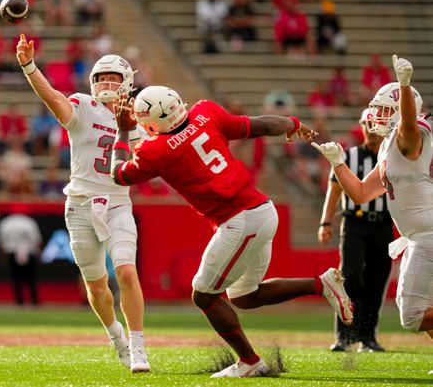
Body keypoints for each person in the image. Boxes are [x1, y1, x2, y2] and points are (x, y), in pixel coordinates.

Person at [110, 86, 353, 378]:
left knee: (203, 296)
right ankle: (321, 284)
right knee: (243, 296)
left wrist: (123, 131)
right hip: (262, 209)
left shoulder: (156, 150)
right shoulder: (206, 113)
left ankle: (250, 361)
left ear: (151, 123)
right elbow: (258, 124)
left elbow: (118, 174)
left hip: (240, 221)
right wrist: (293, 124)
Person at [15, 34, 150, 373]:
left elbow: (149, 162)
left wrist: (130, 129)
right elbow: (51, 97)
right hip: (79, 204)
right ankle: (114, 334)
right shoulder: (83, 107)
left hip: (118, 203)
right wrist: (29, 66)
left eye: (113, 78)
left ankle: (138, 348)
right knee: (95, 285)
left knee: (127, 272)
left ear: (127, 83)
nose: (106, 83)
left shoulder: (140, 119)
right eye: (101, 78)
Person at [314, 55, 433, 373]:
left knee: (411, 315)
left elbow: (408, 124)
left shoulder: (410, 136)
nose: (376, 116)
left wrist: (405, 86)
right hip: (419, 235)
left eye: (383, 110)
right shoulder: (389, 147)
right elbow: (362, 193)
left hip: (427, 234)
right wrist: (338, 163)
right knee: (421, 309)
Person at [318, 109, 392, 353]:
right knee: (349, 276)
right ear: (361, 126)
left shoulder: (391, 156)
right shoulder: (348, 156)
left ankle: (368, 338)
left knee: (377, 280)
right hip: (354, 223)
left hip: (383, 224)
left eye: (376, 124)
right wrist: (325, 222)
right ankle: (345, 336)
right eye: (367, 123)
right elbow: (334, 190)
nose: (371, 128)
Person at [0, 214, 42, 306]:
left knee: (16, 278)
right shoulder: (29, 222)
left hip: (12, 252)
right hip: (28, 251)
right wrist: (38, 254)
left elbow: (2, 241)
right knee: (31, 279)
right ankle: (34, 301)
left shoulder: (6, 222)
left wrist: (2, 257)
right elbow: (36, 239)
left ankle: (19, 301)